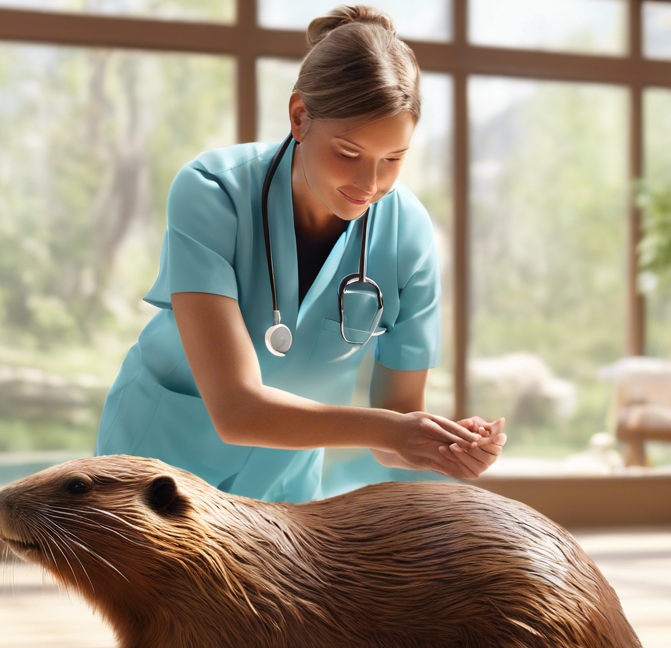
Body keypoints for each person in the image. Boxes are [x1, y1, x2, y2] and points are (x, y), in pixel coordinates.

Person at [95, 4, 507, 504]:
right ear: (299, 117)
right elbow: (236, 409)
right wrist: (395, 431)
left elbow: (392, 434)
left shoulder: (408, 234)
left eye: (393, 159)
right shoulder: (213, 191)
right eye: (348, 153)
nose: (369, 184)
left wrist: (438, 444)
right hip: (158, 466)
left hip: (283, 481)